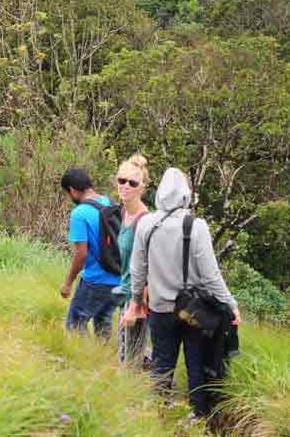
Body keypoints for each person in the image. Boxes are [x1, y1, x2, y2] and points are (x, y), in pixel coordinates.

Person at [128, 168, 241, 418]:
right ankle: (198, 417)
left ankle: (159, 416)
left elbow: (137, 270)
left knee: (162, 364)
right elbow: (211, 275)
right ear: (185, 194)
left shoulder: (146, 223)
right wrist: (230, 303)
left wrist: (137, 301)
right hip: (194, 312)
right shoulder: (196, 226)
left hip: (159, 309)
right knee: (196, 366)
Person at [60, 168, 121, 339]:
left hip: (96, 280)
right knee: (103, 320)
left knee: (75, 323)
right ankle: (101, 359)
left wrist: (67, 283)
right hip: (118, 278)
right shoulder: (111, 203)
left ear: (72, 190)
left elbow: (81, 255)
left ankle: (82, 362)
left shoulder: (79, 213)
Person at [111, 155, 152, 366]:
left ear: (142, 187)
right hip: (126, 292)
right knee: (128, 356)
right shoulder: (124, 213)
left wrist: (135, 307)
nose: (125, 186)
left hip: (138, 300)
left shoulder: (145, 221)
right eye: (121, 180)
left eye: (132, 182)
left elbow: (148, 269)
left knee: (130, 363)